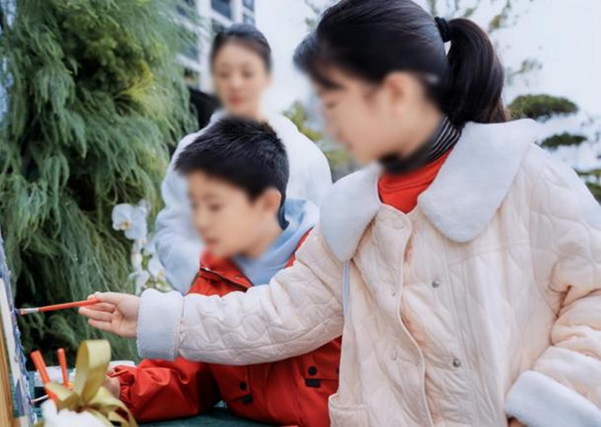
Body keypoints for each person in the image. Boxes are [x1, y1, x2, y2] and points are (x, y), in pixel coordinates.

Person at [81, 1, 601, 426]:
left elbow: (593, 303)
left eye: (332, 100)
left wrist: (541, 409)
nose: (325, 123)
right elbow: (278, 315)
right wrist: (156, 316)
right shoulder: (352, 213)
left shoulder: (529, 180)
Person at [103, 118, 340, 426]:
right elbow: (185, 376)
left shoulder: (337, 264)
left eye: (215, 206)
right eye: (194, 207)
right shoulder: (212, 276)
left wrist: (157, 316)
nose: (200, 222)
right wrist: (118, 390)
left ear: (268, 203)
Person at [156, 24, 332, 293]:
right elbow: (173, 229)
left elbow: (325, 236)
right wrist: (209, 283)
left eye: (247, 72)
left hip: (287, 303)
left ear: (267, 76)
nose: (235, 83)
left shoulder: (305, 154)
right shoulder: (189, 150)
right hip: (207, 302)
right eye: (224, 73)